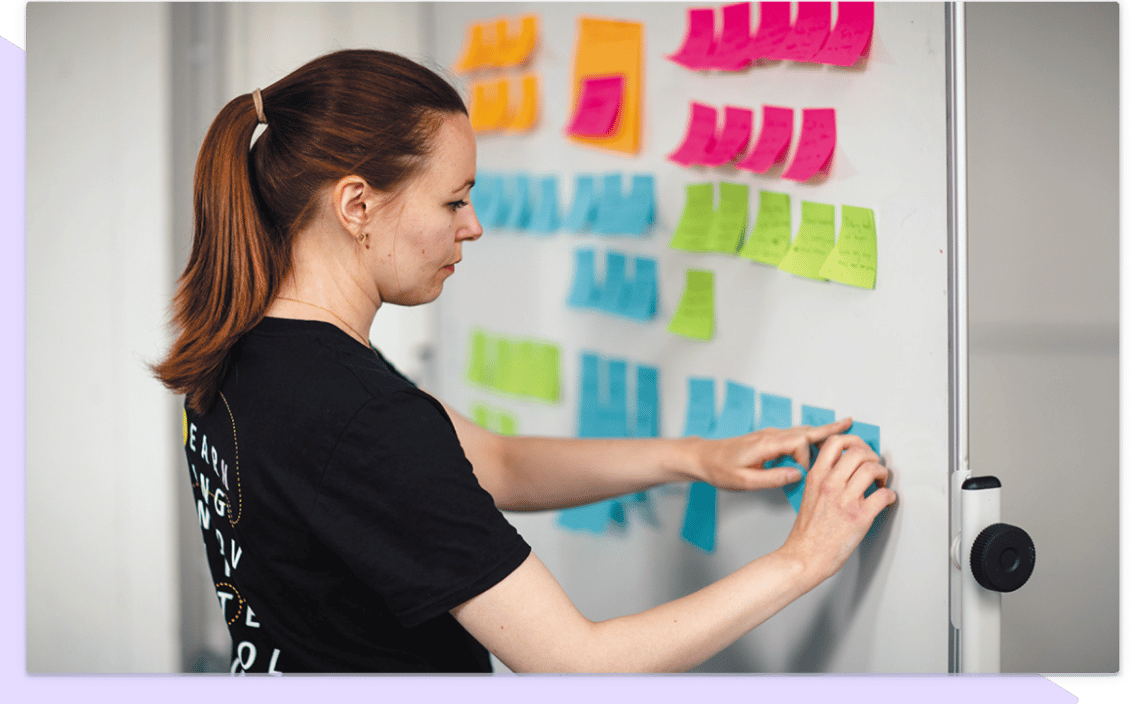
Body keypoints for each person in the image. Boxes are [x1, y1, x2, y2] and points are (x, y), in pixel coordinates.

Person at [154, 49, 894, 674]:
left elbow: (496, 463)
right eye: (453, 202)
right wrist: (803, 559)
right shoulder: (359, 416)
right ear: (357, 205)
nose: (472, 227)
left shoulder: (252, 349)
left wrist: (694, 457)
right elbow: (579, 662)